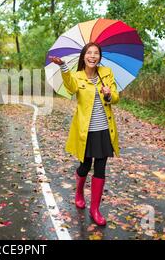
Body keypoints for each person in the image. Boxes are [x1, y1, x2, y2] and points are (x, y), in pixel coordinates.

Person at [49, 42, 120, 226]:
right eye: (89, 53)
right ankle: (79, 190)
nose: (93, 56)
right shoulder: (77, 76)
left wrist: (108, 94)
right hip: (86, 130)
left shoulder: (106, 73)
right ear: (84, 56)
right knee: (85, 165)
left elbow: (116, 97)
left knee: (101, 167)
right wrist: (64, 67)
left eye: (96, 53)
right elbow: (71, 87)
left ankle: (95, 209)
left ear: (99, 57)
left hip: (104, 128)